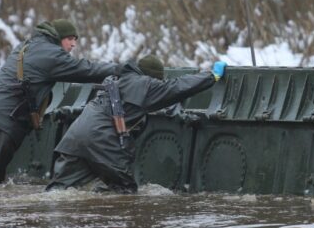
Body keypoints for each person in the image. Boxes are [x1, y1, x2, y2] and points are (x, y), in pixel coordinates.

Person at [0, 19, 120, 187]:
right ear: (58, 37)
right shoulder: (50, 55)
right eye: (70, 38)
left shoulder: (27, 46)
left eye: (75, 39)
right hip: (1, 121)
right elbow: (86, 70)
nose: (73, 44)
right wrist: (120, 69)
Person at [46, 56, 227, 193]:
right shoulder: (146, 85)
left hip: (73, 138)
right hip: (102, 141)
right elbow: (178, 87)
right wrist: (212, 76)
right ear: (153, 77)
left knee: (59, 191)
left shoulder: (115, 80)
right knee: (125, 192)